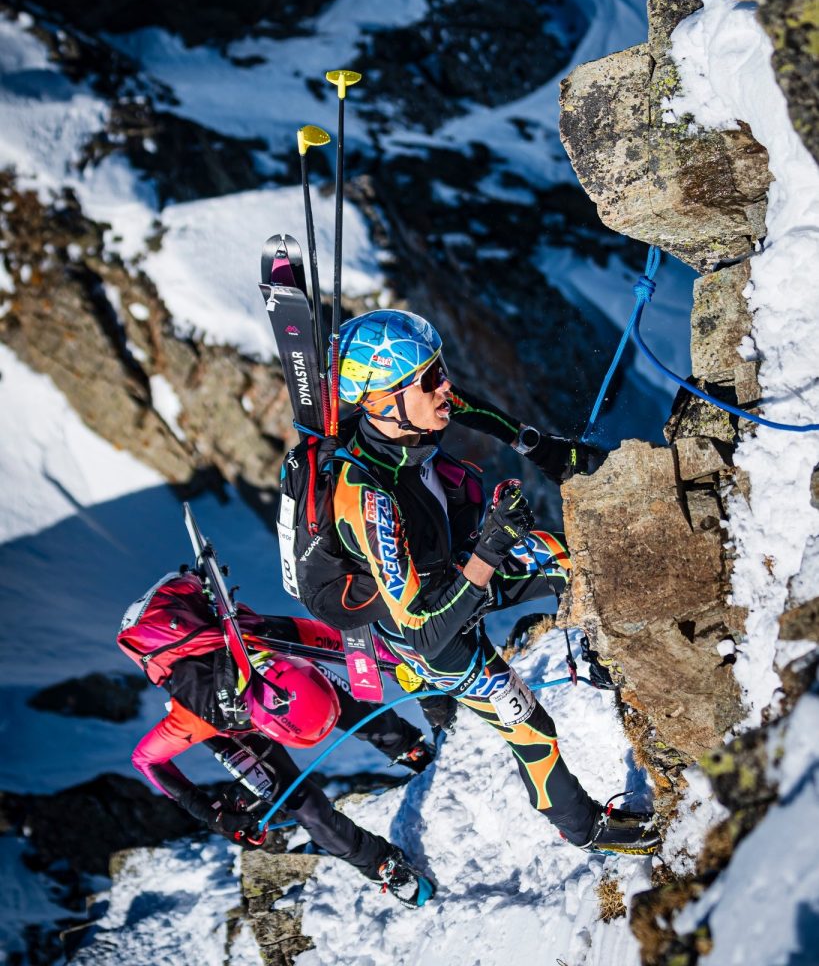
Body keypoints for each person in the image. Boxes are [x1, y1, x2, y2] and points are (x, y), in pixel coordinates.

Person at [325, 309, 659, 856]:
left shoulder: (408, 419)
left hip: (463, 571)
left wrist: (540, 447)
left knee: (582, 557)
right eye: (429, 380)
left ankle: (610, 654)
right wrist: (492, 546)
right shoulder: (366, 497)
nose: (445, 386)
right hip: (434, 636)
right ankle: (585, 829)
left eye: (441, 370)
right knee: (531, 725)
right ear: (384, 399)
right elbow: (427, 630)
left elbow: (473, 410)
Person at [131, 608, 436, 906]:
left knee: (358, 713)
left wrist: (397, 660)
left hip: (267, 663)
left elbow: (348, 644)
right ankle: (381, 865)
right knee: (305, 806)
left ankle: (410, 748)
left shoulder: (272, 634)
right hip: (228, 724)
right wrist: (210, 813)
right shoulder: (195, 717)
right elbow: (146, 760)